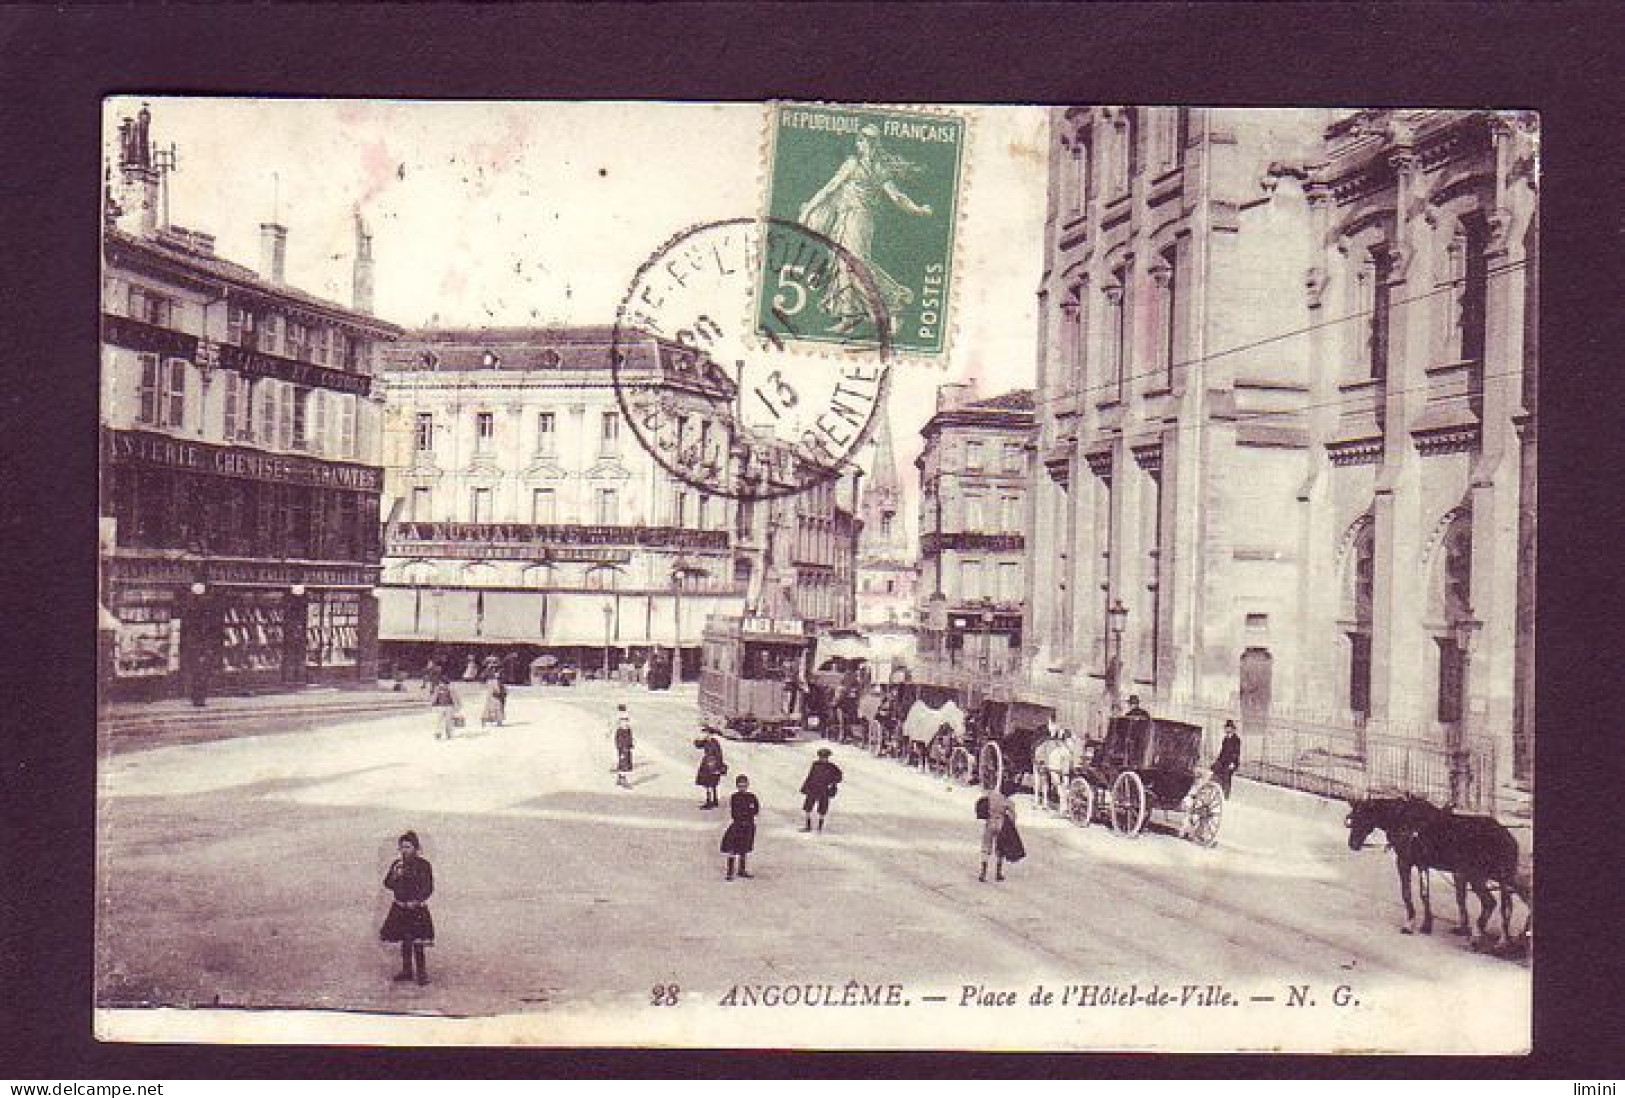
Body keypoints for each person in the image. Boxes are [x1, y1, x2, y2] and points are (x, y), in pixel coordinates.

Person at [797, 123, 934, 333]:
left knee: (857, 265)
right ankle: (848, 315)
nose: (863, 145)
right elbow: (829, 188)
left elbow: (896, 196)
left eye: (867, 141)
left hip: (859, 221)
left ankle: (894, 305)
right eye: (861, 141)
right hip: (844, 219)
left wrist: (918, 210)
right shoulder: (854, 165)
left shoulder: (876, 169)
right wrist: (809, 209)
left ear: (873, 144)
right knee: (843, 266)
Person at [379, 830, 435, 985]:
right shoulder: (397, 865)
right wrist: (395, 875)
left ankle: (422, 974)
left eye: (408, 847)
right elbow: (388, 884)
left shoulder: (424, 865)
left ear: (416, 848)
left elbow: (428, 887)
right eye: (402, 847)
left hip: (417, 909)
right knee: (405, 940)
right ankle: (407, 971)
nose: (404, 850)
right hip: (400, 908)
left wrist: (418, 900)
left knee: (418, 942)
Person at [976, 781, 1025, 883]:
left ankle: (983, 872)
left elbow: (982, 803)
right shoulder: (1009, 802)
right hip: (1001, 824)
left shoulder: (991, 796)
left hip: (990, 823)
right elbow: (1013, 817)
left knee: (986, 847)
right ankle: (998, 873)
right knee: (1000, 849)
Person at [721, 775, 760, 880]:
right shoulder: (735, 797)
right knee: (732, 848)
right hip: (738, 825)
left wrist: (748, 815)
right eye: (740, 785)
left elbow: (756, 810)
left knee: (744, 848)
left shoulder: (752, 796)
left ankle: (741, 870)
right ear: (737, 786)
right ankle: (730, 872)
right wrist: (744, 815)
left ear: (747, 785)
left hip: (748, 826)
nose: (742, 787)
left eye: (744, 785)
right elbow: (735, 812)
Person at [799, 748, 844, 832]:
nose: (823, 759)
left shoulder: (832, 767)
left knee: (822, 809)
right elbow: (810, 776)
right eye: (822, 757)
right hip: (813, 788)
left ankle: (820, 827)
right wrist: (805, 787)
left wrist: (833, 783)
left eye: (825, 757)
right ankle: (808, 826)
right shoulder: (815, 765)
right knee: (808, 807)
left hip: (824, 790)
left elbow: (839, 777)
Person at [694, 732, 727, 809]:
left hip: (712, 766)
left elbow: (719, 755)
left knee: (710, 783)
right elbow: (698, 745)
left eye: (708, 735)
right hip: (708, 765)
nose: (706, 736)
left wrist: (718, 766)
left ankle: (711, 802)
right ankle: (713, 801)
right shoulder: (707, 742)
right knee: (710, 784)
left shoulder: (714, 743)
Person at [1212, 719, 1242, 797]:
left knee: (1226, 778)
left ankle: (1225, 795)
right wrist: (1217, 761)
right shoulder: (1225, 739)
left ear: (1232, 729)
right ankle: (1216, 792)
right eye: (1226, 727)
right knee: (1215, 772)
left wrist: (1232, 763)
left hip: (1231, 763)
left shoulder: (1236, 740)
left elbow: (1236, 753)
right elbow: (1222, 751)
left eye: (1228, 727)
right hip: (1223, 761)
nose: (1226, 729)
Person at [612, 704, 634, 788]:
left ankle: (620, 777)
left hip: (625, 737)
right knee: (624, 758)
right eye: (623, 719)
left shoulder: (627, 728)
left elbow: (629, 730)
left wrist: (631, 740)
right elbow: (614, 725)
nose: (625, 721)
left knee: (625, 758)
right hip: (622, 739)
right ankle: (623, 779)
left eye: (626, 719)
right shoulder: (620, 730)